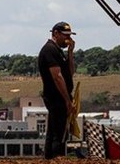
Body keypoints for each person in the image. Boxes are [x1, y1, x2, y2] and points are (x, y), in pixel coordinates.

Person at [37, 21, 76, 159]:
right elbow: (57, 77)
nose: (68, 40)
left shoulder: (59, 51)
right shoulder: (50, 50)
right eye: (65, 36)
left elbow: (69, 73)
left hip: (60, 97)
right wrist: (67, 100)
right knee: (59, 133)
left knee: (54, 131)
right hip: (56, 97)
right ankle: (56, 158)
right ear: (55, 34)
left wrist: (70, 52)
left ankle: (50, 158)